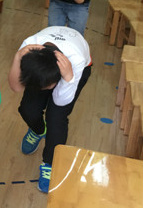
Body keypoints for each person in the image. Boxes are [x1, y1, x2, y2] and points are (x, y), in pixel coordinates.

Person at [8, 26, 92, 193]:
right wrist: (17, 57)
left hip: (74, 68)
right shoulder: (28, 50)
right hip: (44, 63)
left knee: (56, 118)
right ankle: (38, 131)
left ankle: (50, 163)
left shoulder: (75, 60)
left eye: (49, 86)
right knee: (28, 109)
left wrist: (67, 78)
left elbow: (60, 102)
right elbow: (16, 87)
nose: (46, 90)